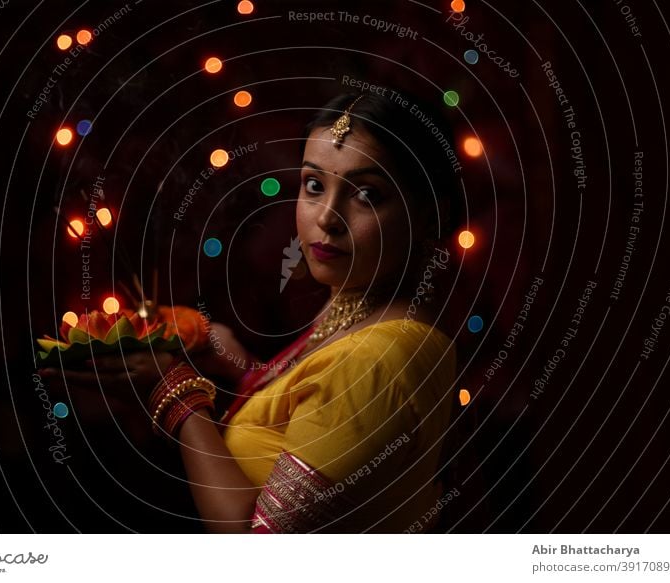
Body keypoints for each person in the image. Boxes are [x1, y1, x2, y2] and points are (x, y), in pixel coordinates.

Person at [43, 90, 460, 533]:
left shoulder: (382, 359)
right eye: (314, 185)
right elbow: (303, 419)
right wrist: (233, 360)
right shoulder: (354, 310)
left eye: (367, 194)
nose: (327, 217)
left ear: (430, 214)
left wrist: (173, 391)